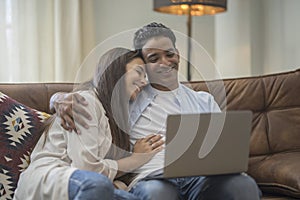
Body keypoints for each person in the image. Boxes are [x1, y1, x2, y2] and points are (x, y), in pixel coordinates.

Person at [51, 23, 261, 199]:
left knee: (243, 185)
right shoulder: (129, 97)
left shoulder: (203, 100)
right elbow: (95, 92)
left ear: (177, 55)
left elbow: (223, 147)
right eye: (153, 58)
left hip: (201, 178)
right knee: (157, 193)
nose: (164, 63)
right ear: (143, 63)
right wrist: (57, 98)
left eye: (169, 54)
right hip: (151, 178)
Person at [13, 47, 164, 200]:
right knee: (98, 184)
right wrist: (135, 159)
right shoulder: (83, 102)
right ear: (115, 70)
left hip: (86, 185)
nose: (145, 82)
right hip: (53, 180)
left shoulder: (115, 116)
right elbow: (86, 168)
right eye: (139, 72)